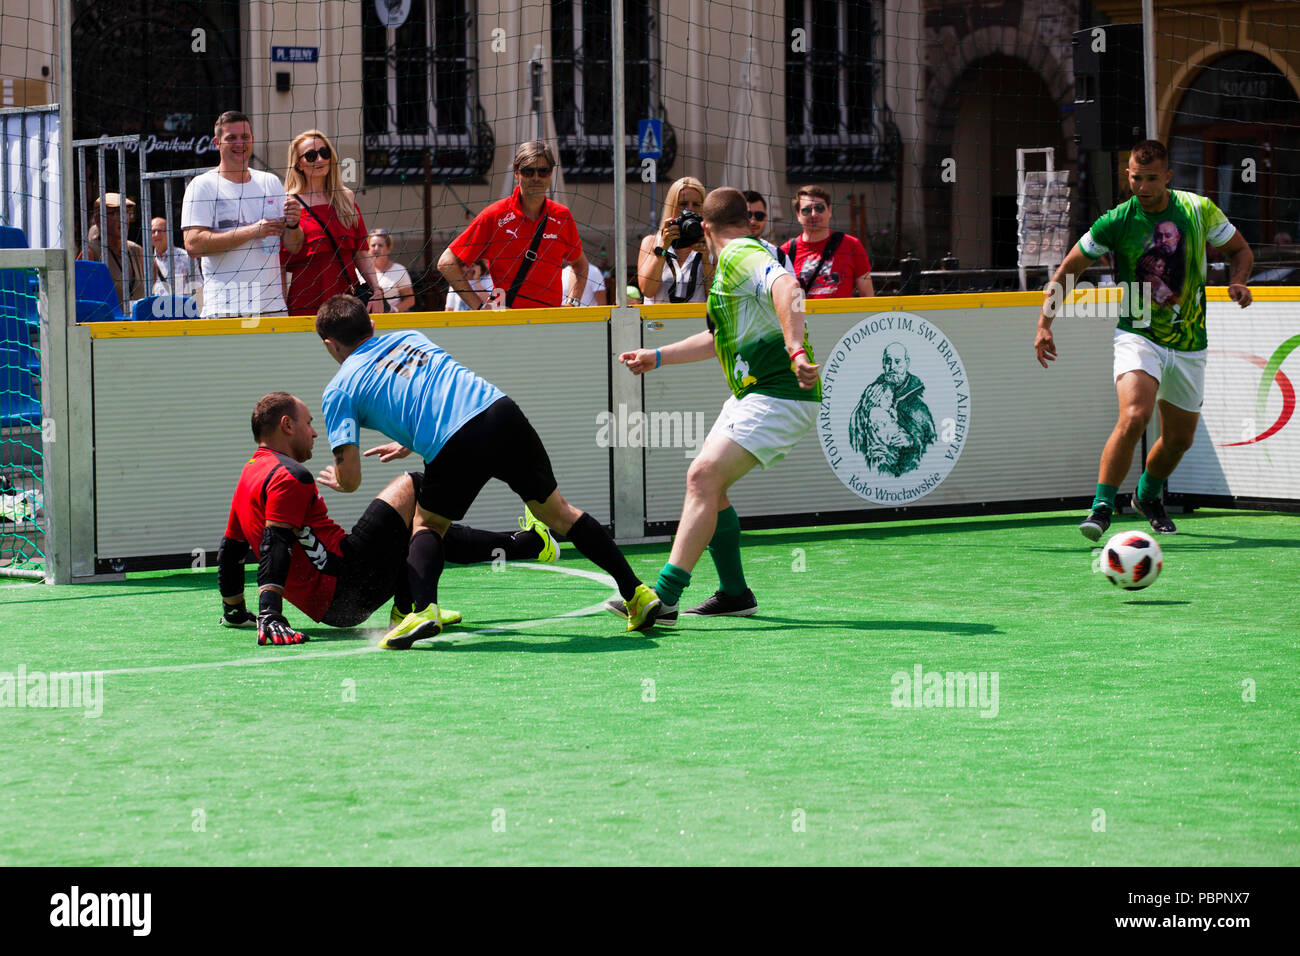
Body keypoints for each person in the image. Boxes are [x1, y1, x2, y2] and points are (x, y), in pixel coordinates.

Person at [314, 295, 664, 647]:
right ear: (372, 324)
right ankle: (637, 594)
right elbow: (430, 392)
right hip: (500, 412)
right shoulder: (411, 338)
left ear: (329, 345)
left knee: (429, 524)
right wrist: (411, 437)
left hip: (455, 440)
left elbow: (352, 477)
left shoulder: (339, 389)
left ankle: (423, 610)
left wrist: (340, 482)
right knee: (559, 513)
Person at [613, 187, 820, 621]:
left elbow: (790, 286)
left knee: (701, 477)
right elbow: (719, 338)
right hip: (754, 393)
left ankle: (662, 598)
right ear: (745, 218)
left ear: (704, 227)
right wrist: (659, 356)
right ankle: (734, 594)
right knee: (713, 488)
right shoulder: (737, 261)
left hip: (779, 392)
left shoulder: (741, 254)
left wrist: (796, 349)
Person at [1034, 139, 1254, 541]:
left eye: (1152, 178)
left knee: (1179, 439)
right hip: (1138, 334)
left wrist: (1237, 281)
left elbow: (1240, 250)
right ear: (1128, 175)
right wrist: (1045, 323)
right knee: (1136, 414)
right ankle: (1102, 507)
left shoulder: (1198, 210)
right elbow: (1069, 269)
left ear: (1167, 177)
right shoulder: (1115, 221)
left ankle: (1147, 495)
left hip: (1190, 340)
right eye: (1136, 178)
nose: (1143, 186)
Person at [218, 391, 560, 646]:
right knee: (415, 487)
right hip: (349, 585)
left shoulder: (250, 474)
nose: (315, 433)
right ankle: (414, 607)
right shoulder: (290, 475)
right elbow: (275, 541)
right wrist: (270, 613)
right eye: (309, 424)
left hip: (338, 599)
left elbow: (230, 550)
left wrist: (235, 611)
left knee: (417, 528)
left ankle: (530, 543)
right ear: (286, 425)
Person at [439, 141, 589, 309]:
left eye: (543, 171)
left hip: (549, 322)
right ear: (517, 173)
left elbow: (580, 264)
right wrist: (479, 307)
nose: (536, 178)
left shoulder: (561, 216)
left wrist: (572, 302)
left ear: (551, 173)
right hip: (506, 321)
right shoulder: (495, 215)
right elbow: (446, 263)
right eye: (528, 171)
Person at [182, 111, 302, 318]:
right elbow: (193, 245)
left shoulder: (270, 182)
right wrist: (253, 231)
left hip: (272, 307)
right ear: (217, 142)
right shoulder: (202, 186)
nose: (240, 143)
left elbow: (293, 246)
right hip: (225, 309)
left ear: (252, 140)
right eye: (231, 138)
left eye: (245, 137)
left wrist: (293, 224)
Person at [281, 129, 382, 316]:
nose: (319, 159)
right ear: (298, 165)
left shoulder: (346, 198)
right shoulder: (288, 203)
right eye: (311, 156)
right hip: (307, 298)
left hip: (346, 299)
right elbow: (281, 261)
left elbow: (361, 252)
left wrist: (377, 290)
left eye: (324, 153)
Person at [777, 185, 874, 299]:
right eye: (806, 210)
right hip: (802, 316)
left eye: (819, 208)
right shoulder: (785, 251)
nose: (813, 214)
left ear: (829, 210)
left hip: (840, 315)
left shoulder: (852, 245)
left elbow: (867, 295)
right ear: (798, 215)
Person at [637, 176, 714, 304]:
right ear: (671, 206)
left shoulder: (712, 245)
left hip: (697, 322)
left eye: (696, 204)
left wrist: (705, 258)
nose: (690, 209)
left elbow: (715, 296)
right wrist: (663, 249)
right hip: (657, 322)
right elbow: (647, 290)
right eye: (683, 204)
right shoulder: (651, 242)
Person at [78, 193, 147, 311]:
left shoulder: (136, 251)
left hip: (138, 325)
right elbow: (82, 297)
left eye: (126, 213)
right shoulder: (90, 253)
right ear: (98, 219)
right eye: (116, 214)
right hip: (106, 326)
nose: (123, 219)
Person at [148, 217, 201, 299]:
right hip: (156, 310)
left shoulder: (186, 257)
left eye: (160, 231)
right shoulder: (147, 262)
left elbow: (198, 288)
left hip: (182, 310)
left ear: (169, 233)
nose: (156, 234)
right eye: (153, 231)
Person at [364, 229, 415, 313]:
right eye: (373, 245)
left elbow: (410, 300)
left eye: (380, 245)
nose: (376, 248)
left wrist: (393, 310)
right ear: (368, 248)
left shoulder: (399, 270)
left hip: (392, 320)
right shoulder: (360, 271)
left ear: (388, 249)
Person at [743, 189, 784, 264]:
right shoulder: (723, 251)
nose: (753, 222)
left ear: (766, 217)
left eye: (759, 215)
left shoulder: (779, 255)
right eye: (748, 215)